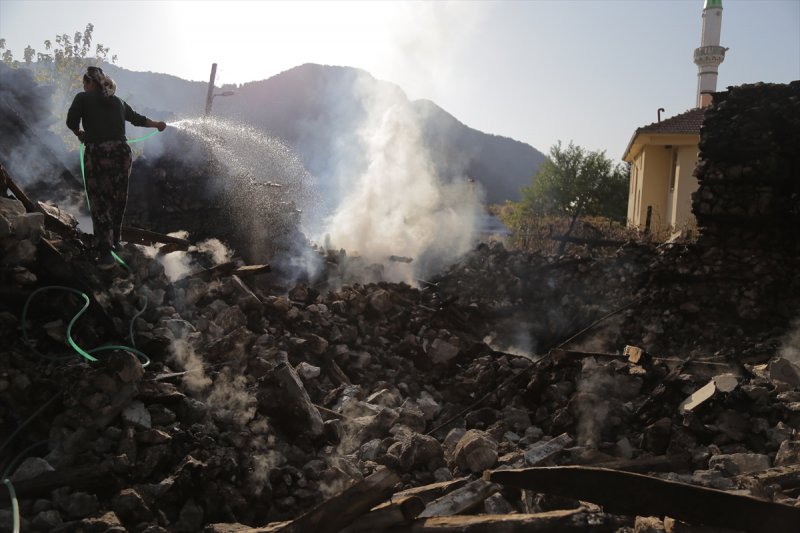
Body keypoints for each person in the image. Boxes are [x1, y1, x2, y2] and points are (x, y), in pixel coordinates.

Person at [66, 66, 166, 269]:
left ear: (90, 83)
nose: (83, 87)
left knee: (99, 201)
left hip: (99, 154)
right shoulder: (118, 101)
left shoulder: (82, 98)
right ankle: (115, 241)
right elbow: (138, 119)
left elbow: (71, 121)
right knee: (118, 198)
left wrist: (79, 133)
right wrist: (157, 124)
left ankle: (106, 253)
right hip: (121, 153)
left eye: (85, 83)